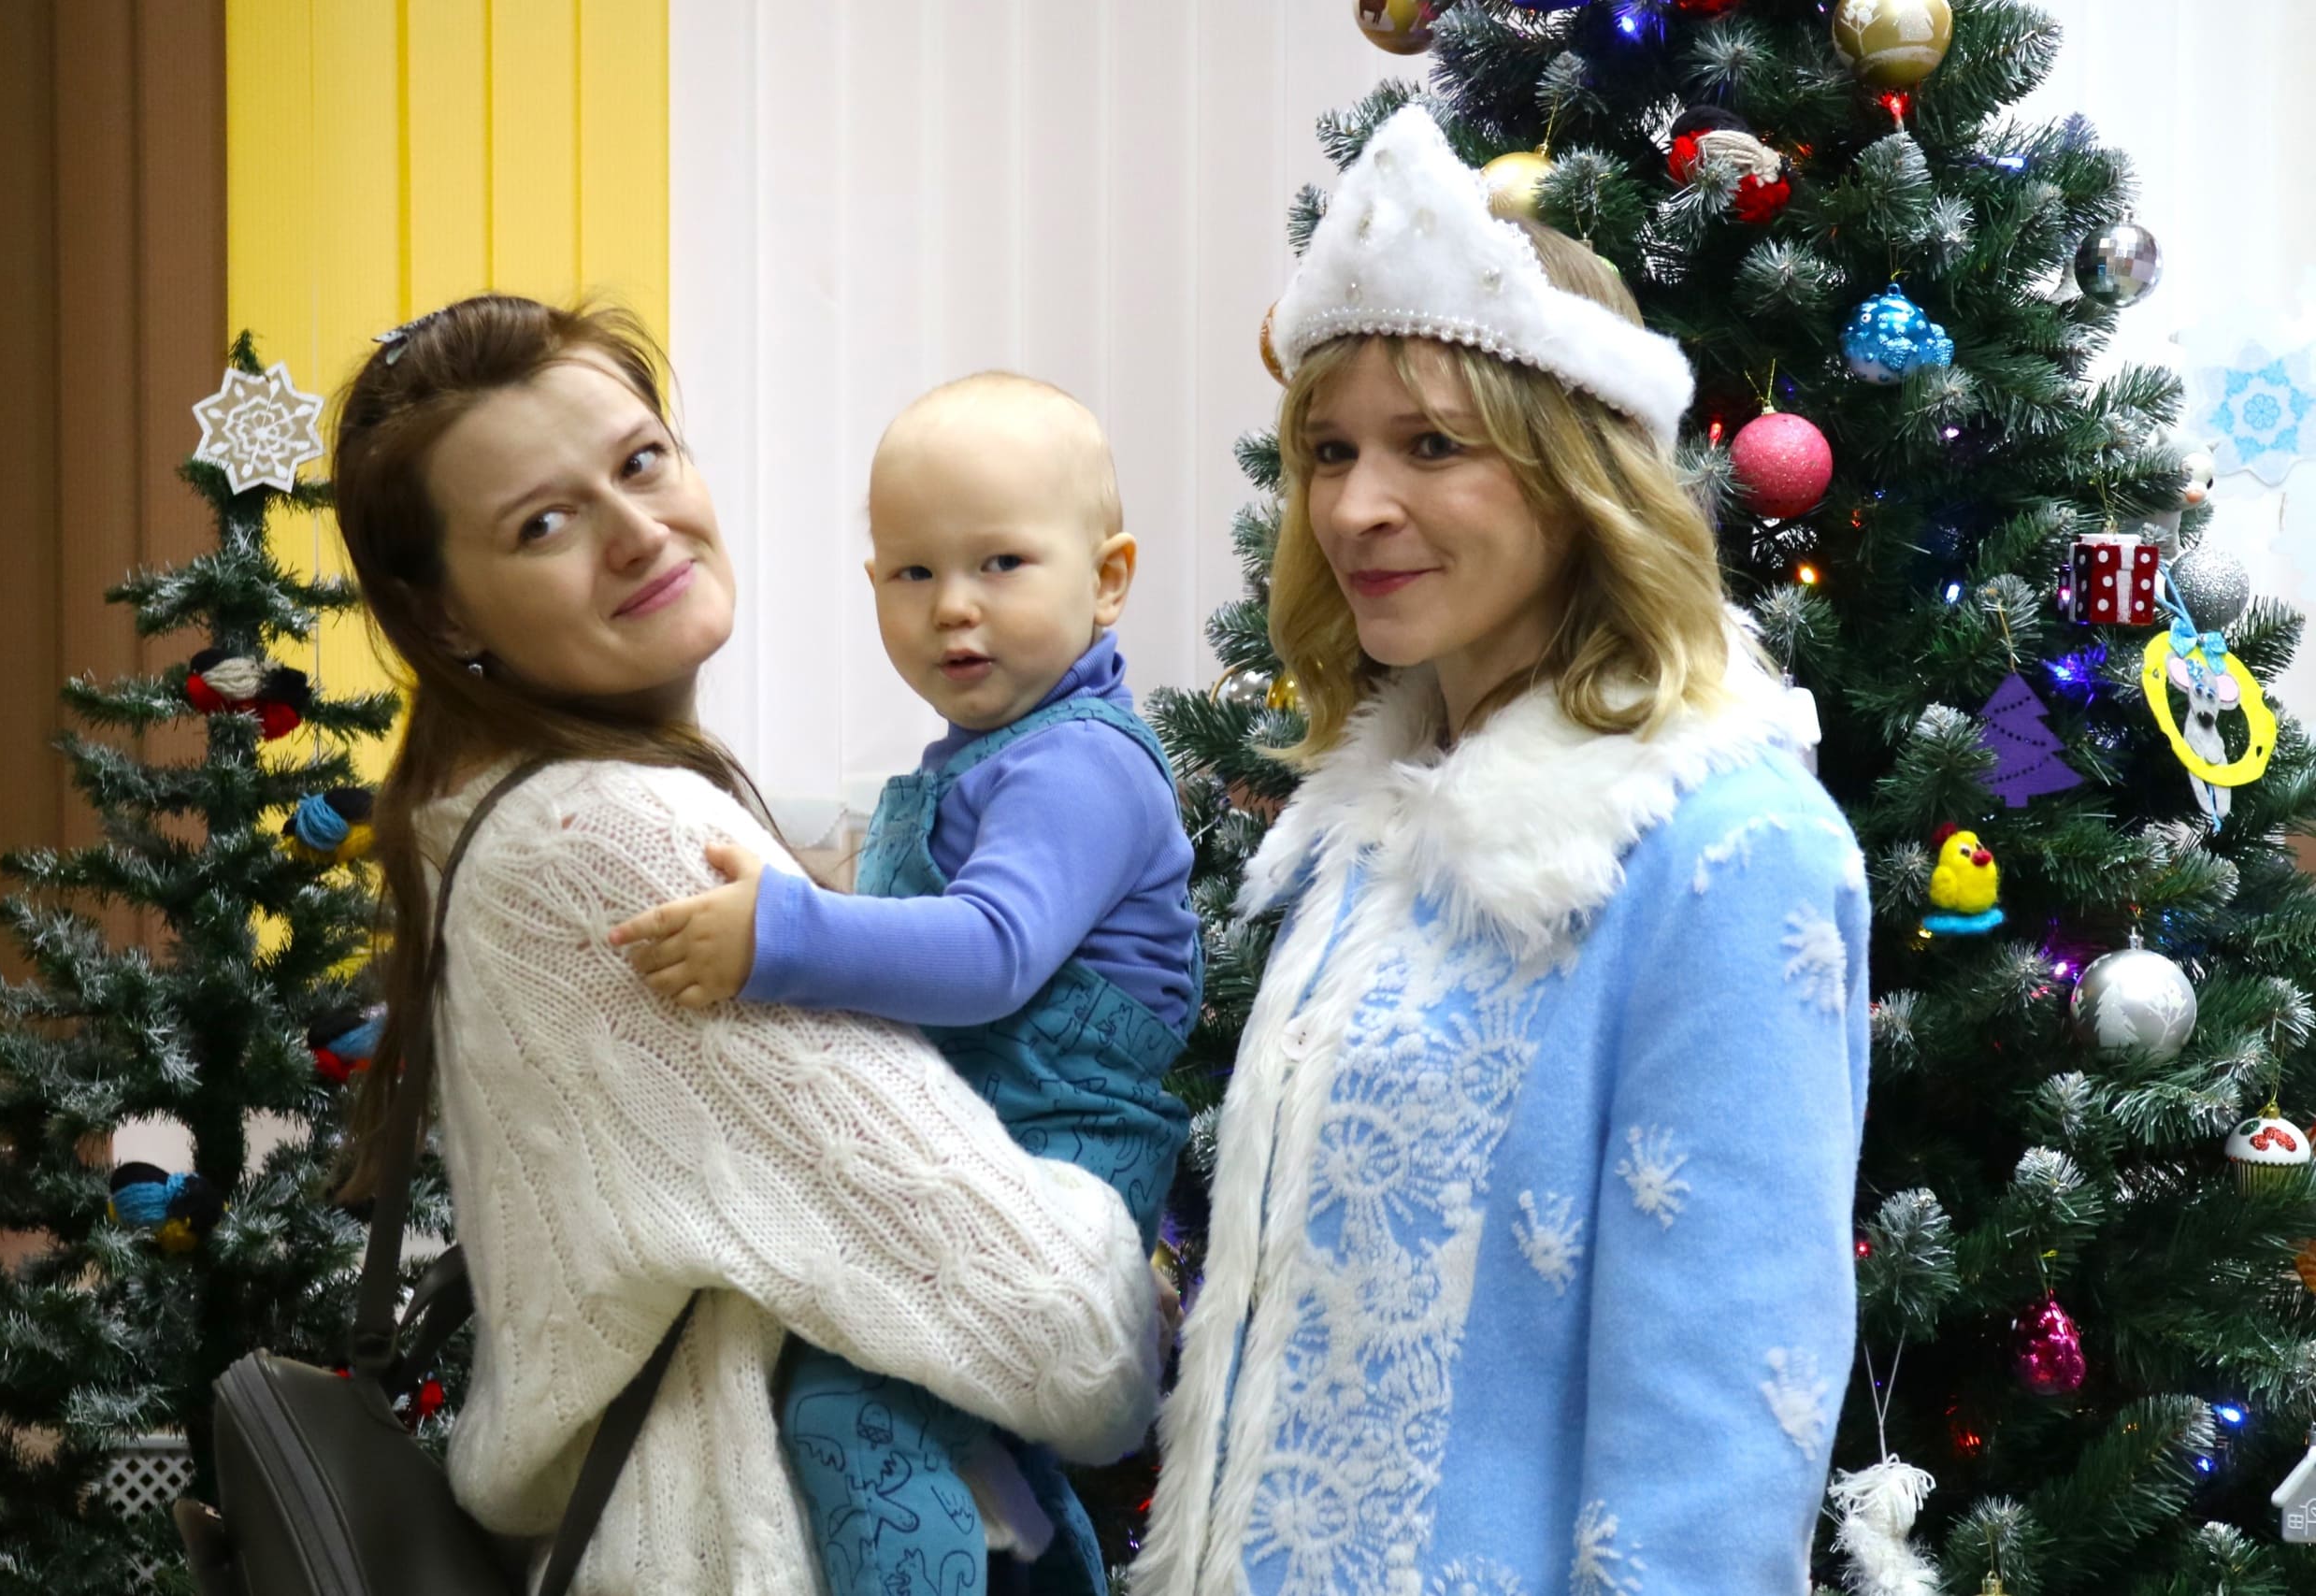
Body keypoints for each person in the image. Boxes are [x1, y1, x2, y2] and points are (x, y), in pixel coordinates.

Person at [1133, 108, 1871, 1596]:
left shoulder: (1730, 847)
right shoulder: (1372, 827)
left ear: (1572, 470)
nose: (1356, 507)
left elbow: (1718, 1471)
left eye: (1431, 446)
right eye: (1329, 451)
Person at [327, 295, 1167, 1596]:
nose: (635, 531)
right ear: (445, 619)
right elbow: (1054, 1325)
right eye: (543, 523)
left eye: (641, 460)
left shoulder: (516, 817)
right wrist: (1142, 1311)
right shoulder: (610, 840)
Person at [605, 371, 1201, 1596]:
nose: (954, 607)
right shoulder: (983, 759)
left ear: (1108, 580)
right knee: (958, 1443)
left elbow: (988, 955)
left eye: (1002, 564)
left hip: (1061, 1161)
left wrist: (785, 935)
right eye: (915, 573)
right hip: (988, 1151)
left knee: (854, 1413)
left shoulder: (1080, 766)